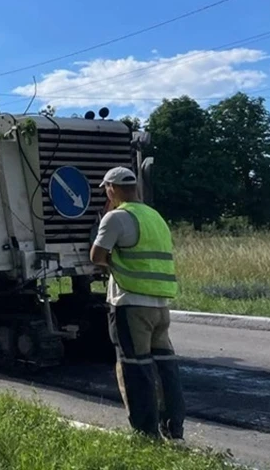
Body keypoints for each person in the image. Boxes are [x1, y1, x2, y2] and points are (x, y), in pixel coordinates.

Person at [90, 166, 186, 441]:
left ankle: (146, 433)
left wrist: (111, 260)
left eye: (106, 189)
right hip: (160, 303)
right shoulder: (154, 216)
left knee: (135, 367)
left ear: (112, 188)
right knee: (166, 366)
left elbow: (97, 255)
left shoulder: (117, 217)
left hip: (130, 302)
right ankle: (174, 429)